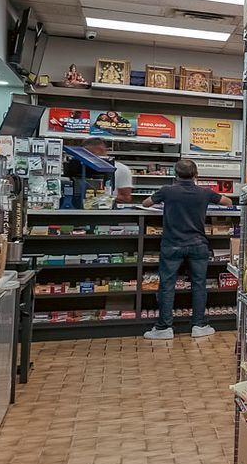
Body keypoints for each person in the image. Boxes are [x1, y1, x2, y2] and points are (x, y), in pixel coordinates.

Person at [142, 158, 217, 339]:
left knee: (167, 285)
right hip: (198, 244)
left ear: (175, 175)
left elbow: (145, 203)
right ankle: (199, 326)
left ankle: (164, 328)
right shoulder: (205, 192)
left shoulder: (167, 191)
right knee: (199, 285)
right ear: (196, 174)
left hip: (172, 244)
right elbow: (228, 201)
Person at [83, 138, 133, 203]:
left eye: (92, 153)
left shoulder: (122, 169)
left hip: (109, 208)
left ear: (102, 150)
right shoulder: (81, 167)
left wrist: (103, 197)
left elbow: (126, 198)